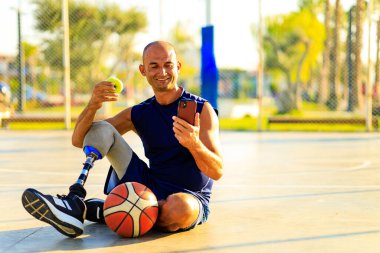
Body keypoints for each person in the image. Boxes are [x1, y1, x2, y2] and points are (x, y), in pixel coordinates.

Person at [21, 41, 223, 238]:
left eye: (168, 65)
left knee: (179, 209)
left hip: (190, 197)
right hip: (148, 186)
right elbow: (79, 140)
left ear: (177, 67)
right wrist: (93, 105)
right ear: (143, 71)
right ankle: (75, 200)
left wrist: (194, 144)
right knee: (103, 128)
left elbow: (217, 171)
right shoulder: (140, 113)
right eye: (154, 66)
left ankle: (107, 211)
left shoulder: (200, 109)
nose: (162, 72)